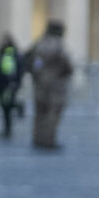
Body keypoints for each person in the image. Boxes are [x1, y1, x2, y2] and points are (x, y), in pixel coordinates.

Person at [29, 21, 73, 150]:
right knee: (53, 113)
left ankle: (38, 138)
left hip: (40, 83)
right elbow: (67, 64)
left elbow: (31, 60)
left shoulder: (39, 44)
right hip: (55, 85)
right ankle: (49, 140)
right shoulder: (58, 45)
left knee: (40, 112)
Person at [0, 34, 24, 139]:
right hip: (1, 83)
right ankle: (7, 127)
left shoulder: (11, 53)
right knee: (4, 106)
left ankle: (7, 128)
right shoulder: (3, 53)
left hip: (9, 84)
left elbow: (15, 69)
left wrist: (15, 82)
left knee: (7, 106)